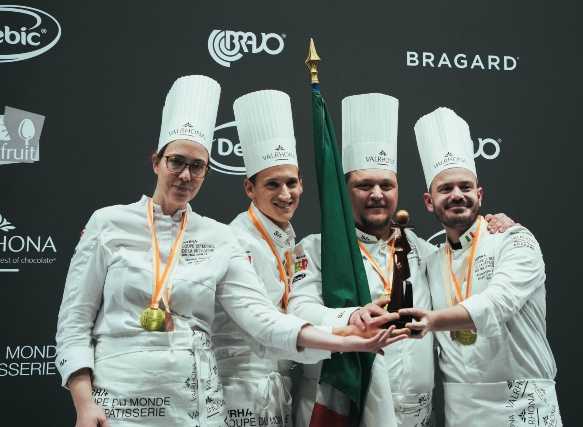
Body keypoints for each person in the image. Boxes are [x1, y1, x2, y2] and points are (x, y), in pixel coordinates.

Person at [55, 76, 405, 427]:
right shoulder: (108, 224)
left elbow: (263, 321)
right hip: (120, 407)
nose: (185, 175)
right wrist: (84, 403)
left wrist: (347, 340)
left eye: (197, 166)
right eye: (176, 161)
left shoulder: (218, 238)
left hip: (195, 410)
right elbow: (74, 323)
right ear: (156, 162)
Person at [288, 94, 514, 426]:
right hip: (345, 404)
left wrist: (493, 222)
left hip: (416, 412)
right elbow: (298, 311)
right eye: (364, 185)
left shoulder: (423, 251)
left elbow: (464, 251)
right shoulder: (317, 249)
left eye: (386, 185)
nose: (377, 194)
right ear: (344, 190)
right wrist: (352, 316)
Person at [212, 89, 398, 427]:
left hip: (279, 392)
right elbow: (263, 323)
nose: (285, 195)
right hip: (233, 391)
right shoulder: (232, 240)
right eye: (272, 185)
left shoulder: (288, 241)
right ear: (249, 189)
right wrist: (346, 335)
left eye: (291, 183)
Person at [401, 107, 562, 427]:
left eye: (464, 186)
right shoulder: (430, 260)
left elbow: (498, 302)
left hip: (524, 410)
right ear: (428, 202)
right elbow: (384, 236)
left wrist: (432, 320)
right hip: (463, 414)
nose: (457, 195)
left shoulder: (515, 240)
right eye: (445, 189)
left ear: (479, 194)